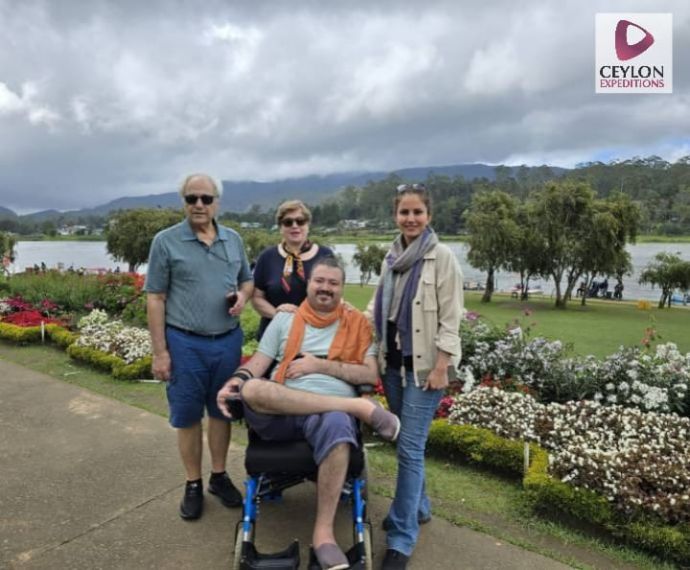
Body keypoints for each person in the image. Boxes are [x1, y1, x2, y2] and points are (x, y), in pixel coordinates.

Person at [217, 257, 400, 570]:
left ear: (342, 288)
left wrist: (319, 366)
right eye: (320, 281)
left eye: (333, 283)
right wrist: (236, 380)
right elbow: (259, 364)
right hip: (280, 413)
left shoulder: (356, 324)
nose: (325, 288)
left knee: (337, 423)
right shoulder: (285, 320)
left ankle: (324, 534)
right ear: (309, 284)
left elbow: (370, 375)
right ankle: (356, 407)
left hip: (327, 419)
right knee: (252, 390)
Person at [144, 173, 254, 521]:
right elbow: (156, 298)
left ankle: (218, 477)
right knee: (188, 416)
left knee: (222, 411)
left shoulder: (232, 239)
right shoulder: (166, 241)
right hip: (184, 343)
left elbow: (247, 280)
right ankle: (193, 483)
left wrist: (243, 297)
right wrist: (160, 352)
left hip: (227, 341)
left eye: (206, 199)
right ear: (184, 202)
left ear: (217, 202)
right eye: (192, 198)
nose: (199, 205)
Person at [368, 183, 463, 570]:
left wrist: (442, 365)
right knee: (408, 446)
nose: (410, 219)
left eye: (417, 212)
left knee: (409, 448)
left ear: (429, 216)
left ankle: (402, 535)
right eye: (404, 212)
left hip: (424, 370)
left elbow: (451, 317)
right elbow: (378, 307)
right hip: (393, 365)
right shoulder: (391, 257)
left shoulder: (441, 258)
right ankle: (419, 507)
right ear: (396, 216)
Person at [252, 200, 334, 339]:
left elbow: (334, 296)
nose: (295, 226)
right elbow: (256, 297)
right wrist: (279, 316)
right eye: (288, 222)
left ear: (308, 225)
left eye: (300, 221)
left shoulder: (325, 255)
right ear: (280, 227)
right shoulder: (267, 257)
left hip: (314, 335)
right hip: (274, 334)